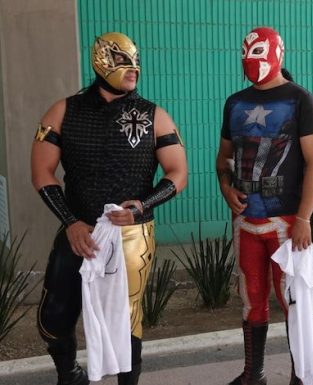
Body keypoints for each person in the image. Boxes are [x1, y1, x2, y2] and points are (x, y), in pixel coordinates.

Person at [31, 32, 188, 385]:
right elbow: (42, 172)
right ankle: (70, 376)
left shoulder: (154, 116)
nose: (133, 67)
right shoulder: (63, 111)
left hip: (131, 234)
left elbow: (178, 173)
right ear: (101, 60)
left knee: (126, 320)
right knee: (54, 317)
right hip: (78, 229)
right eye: (122, 59)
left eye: (135, 59)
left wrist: (143, 205)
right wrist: (70, 222)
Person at [216, 26, 313, 385]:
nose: (253, 61)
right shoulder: (235, 102)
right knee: (252, 299)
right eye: (249, 54)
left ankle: (299, 377)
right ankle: (253, 374)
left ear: (276, 53)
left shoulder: (300, 100)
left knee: (292, 303)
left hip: (287, 221)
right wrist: (226, 187)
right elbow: (224, 160)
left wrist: (304, 218)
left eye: (260, 53)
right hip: (246, 221)